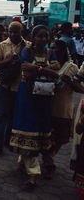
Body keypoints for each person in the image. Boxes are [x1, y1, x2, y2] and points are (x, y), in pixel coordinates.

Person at [9, 25, 60, 189]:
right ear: (33, 36)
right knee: (28, 127)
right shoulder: (26, 51)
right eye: (40, 36)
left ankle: (24, 163)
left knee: (39, 128)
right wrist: (46, 69)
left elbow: (56, 72)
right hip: (28, 98)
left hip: (44, 98)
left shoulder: (50, 53)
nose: (44, 39)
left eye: (46, 36)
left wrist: (37, 68)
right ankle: (33, 175)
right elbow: (26, 71)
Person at [41, 40, 79, 179]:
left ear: (63, 50)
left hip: (63, 108)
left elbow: (78, 87)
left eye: (55, 48)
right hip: (48, 107)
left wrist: (70, 82)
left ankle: (49, 158)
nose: (52, 51)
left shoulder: (72, 67)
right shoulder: (49, 65)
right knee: (46, 137)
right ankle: (48, 161)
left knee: (60, 138)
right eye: (50, 48)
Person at [0, 22, 28, 155]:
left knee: (13, 116)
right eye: (10, 31)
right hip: (4, 85)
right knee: (0, 115)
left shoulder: (27, 46)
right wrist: (8, 61)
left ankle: (9, 141)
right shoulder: (3, 45)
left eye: (16, 32)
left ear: (21, 32)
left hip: (20, 87)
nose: (12, 34)